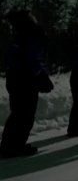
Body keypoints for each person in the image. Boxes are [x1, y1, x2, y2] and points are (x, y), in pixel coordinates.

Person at [0, 10, 53, 158]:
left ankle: (10, 145)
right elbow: (33, 58)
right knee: (25, 114)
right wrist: (41, 76)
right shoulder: (30, 34)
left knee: (18, 113)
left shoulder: (17, 35)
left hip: (15, 77)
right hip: (25, 78)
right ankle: (14, 147)